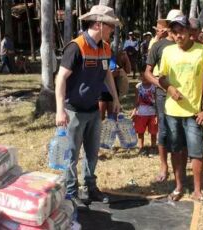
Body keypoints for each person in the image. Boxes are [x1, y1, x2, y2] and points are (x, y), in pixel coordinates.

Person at [55, 4, 121, 206]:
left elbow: (107, 73)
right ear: (100, 24)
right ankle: (71, 192)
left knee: (92, 153)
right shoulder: (77, 46)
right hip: (73, 111)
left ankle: (91, 187)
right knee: (71, 155)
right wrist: (60, 110)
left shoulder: (106, 47)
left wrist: (115, 98)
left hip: (93, 110)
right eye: (111, 26)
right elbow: (60, 79)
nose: (113, 30)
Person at [158, 15, 203, 202]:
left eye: (182, 31)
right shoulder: (167, 52)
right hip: (172, 111)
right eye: (174, 32)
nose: (178, 36)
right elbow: (161, 77)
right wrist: (169, 88)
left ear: (189, 32)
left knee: (196, 151)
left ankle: (198, 191)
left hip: (194, 113)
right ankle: (179, 186)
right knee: (176, 150)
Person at [143, 9, 182, 183]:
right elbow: (148, 73)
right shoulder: (158, 46)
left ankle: (179, 170)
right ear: (168, 27)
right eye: (174, 25)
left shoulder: (187, 44)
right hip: (162, 95)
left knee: (181, 131)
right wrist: (164, 86)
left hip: (184, 95)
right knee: (164, 131)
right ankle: (164, 166)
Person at [131, 71, 158, 156]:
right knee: (140, 131)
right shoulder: (138, 87)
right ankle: (141, 148)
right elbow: (136, 100)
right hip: (141, 114)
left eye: (146, 76)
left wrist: (157, 114)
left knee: (153, 131)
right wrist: (134, 110)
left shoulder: (154, 87)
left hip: (152, 113)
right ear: (140, 77)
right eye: (142, 75)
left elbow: (157, 101)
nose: (144, 78)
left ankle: (153, 147)